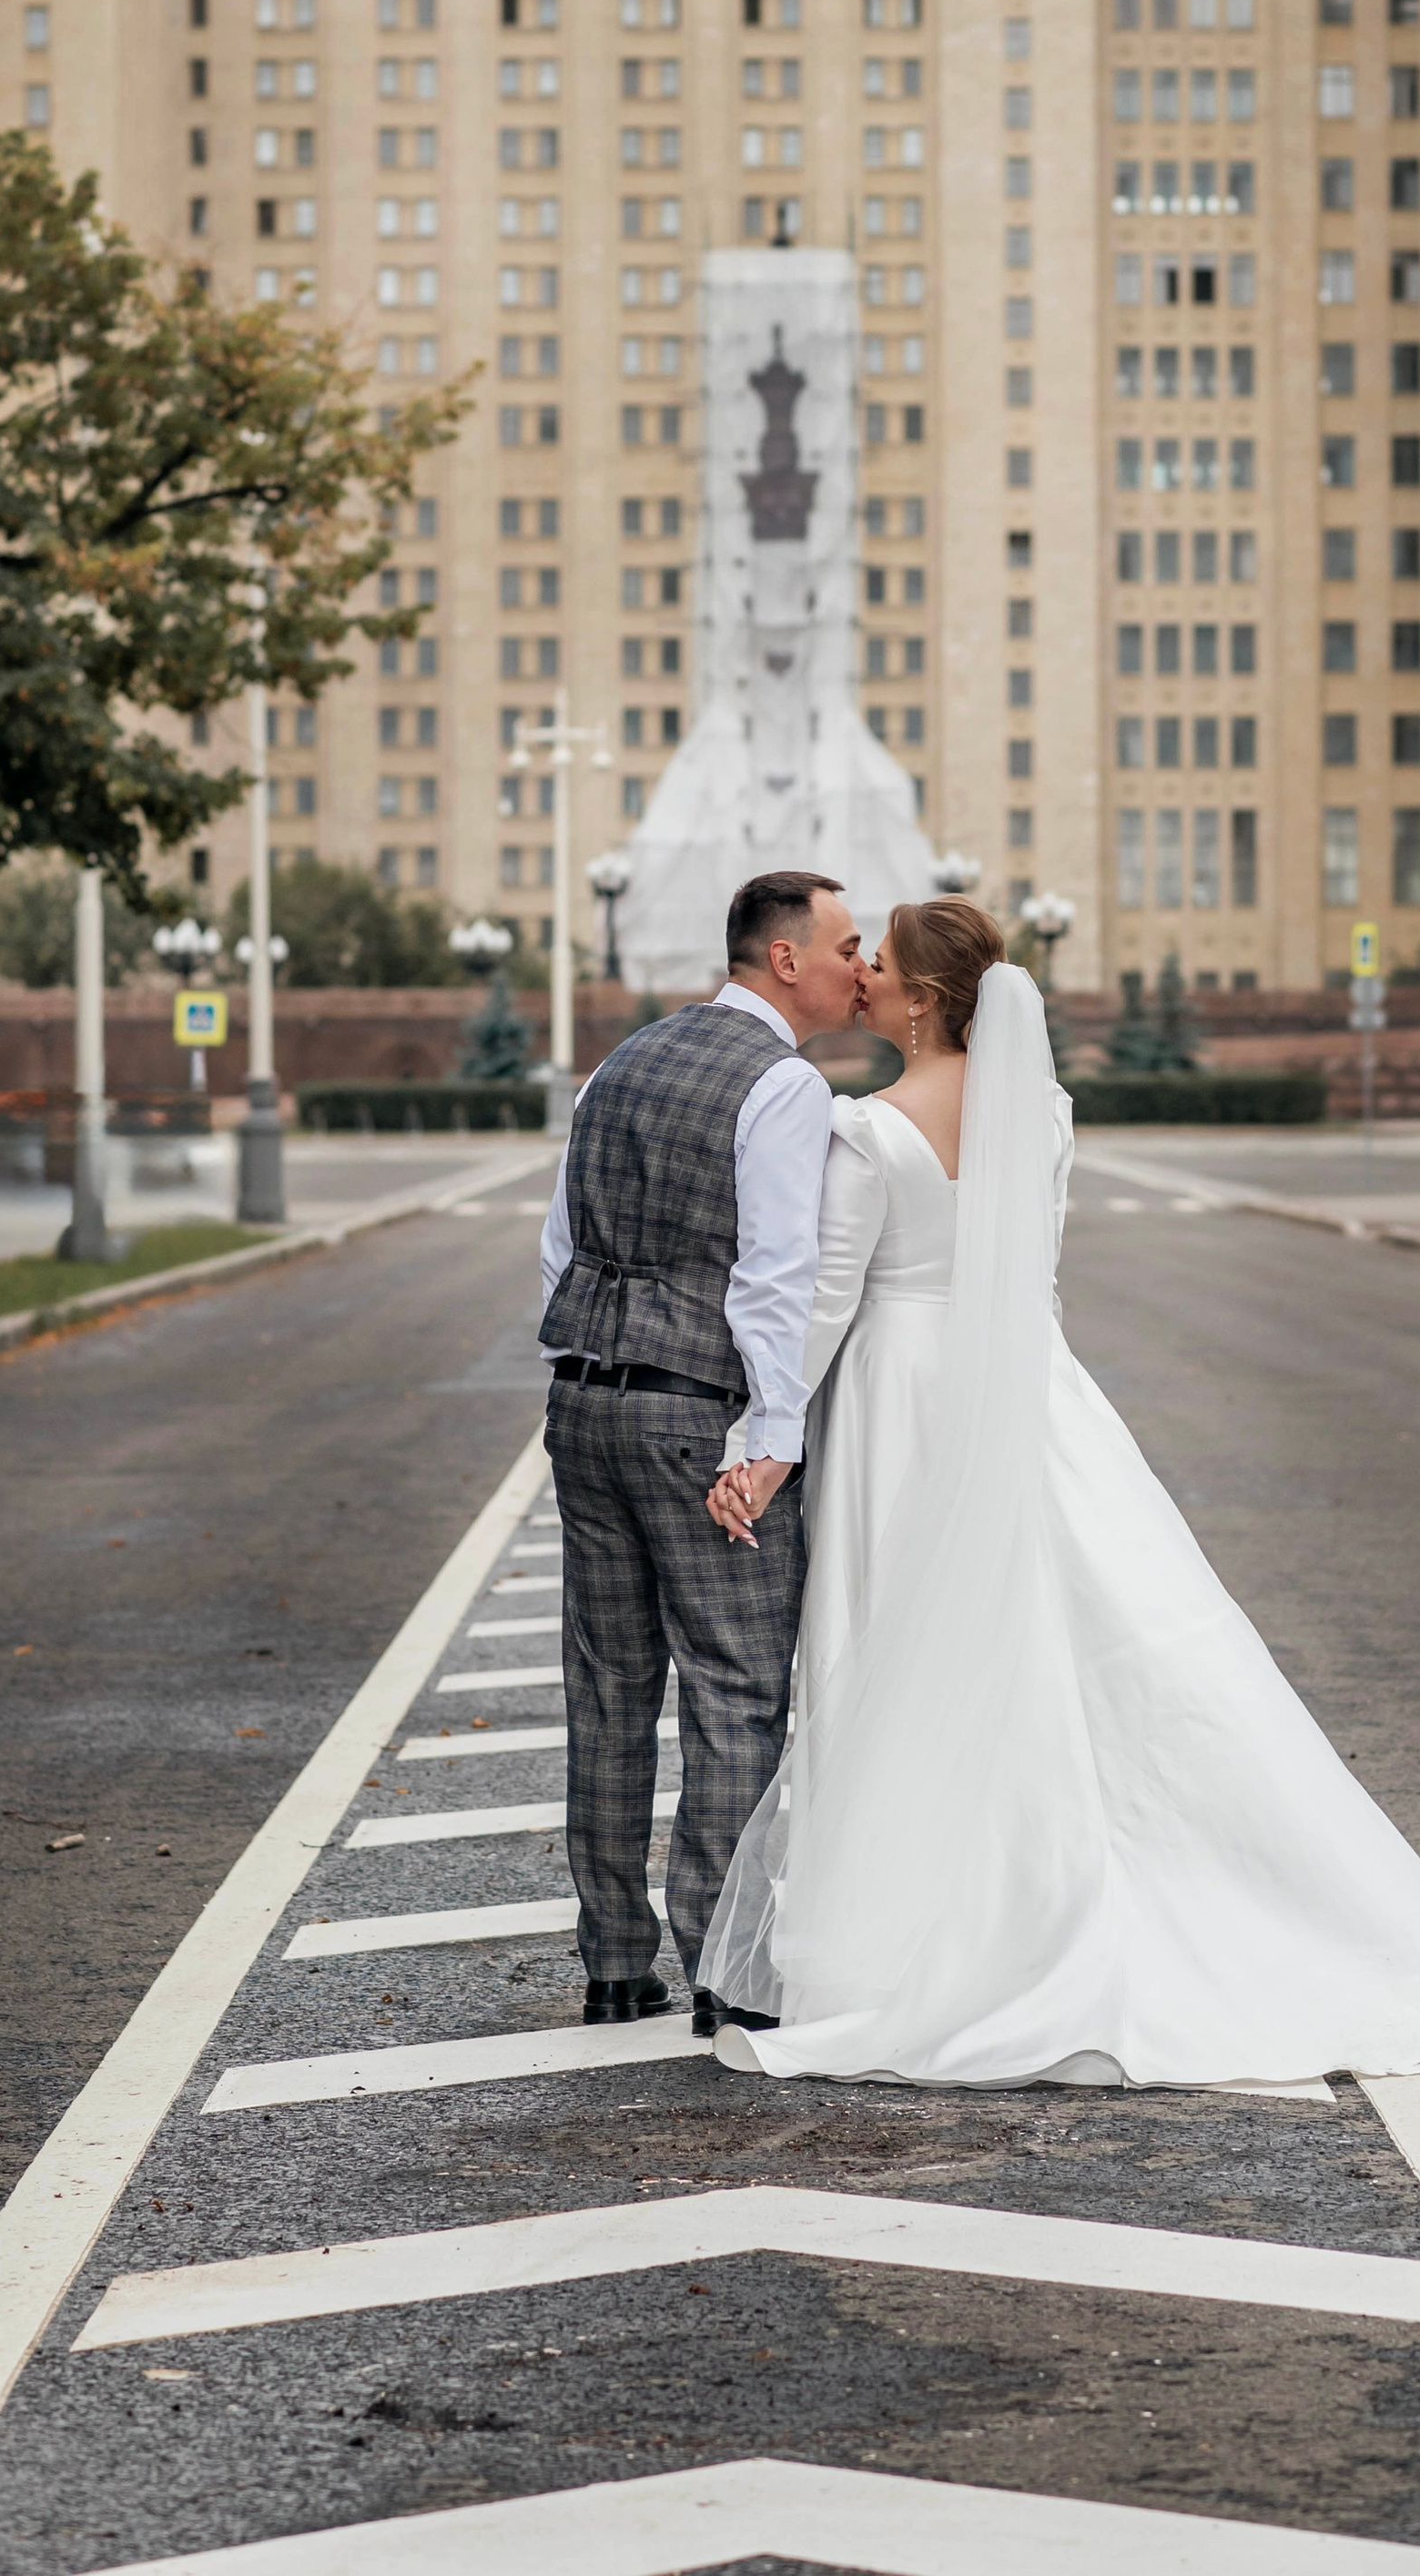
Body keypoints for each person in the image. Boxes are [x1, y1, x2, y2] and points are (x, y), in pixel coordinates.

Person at [698, 896, 1420, 2090]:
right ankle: (1076, 1879)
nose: (867, 983)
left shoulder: (869, 1130)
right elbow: (1031, 1266)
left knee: (902, 1646)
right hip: (1027, 1386)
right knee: (1050, 1634)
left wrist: (762, 1445)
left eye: (883, 968)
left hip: (903, 1407)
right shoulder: (1041, 1114)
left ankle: (919, 1924)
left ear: (928, 1001)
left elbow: (829, 1303)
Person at [538, 868, 866, 2034]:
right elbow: (774, 1278)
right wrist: (770, 1438)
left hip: (582, 1403)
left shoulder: (618, 1063)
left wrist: (590, 1352)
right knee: (734, 1690)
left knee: (608, 1686)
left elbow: (560, 1243)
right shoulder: (779, 1084)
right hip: (696, 1420)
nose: (855, 966)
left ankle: (615, 1961)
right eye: (843, 944)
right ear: (783, 959)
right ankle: (723, 1968)